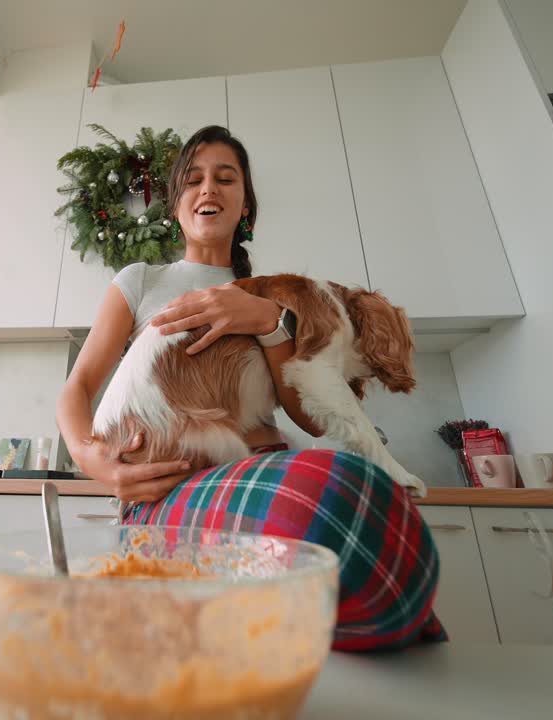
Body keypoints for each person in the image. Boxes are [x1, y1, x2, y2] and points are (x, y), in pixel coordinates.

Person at [56, 125, 443, 650]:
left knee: (373, 514)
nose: (208, 189)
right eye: (193, 179)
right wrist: (91, 457)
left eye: (225, 178)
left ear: (246, 207)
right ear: (175, 205)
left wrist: (269, 321)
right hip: (170, 479)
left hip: (261, 464)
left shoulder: (275, 294)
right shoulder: (141, 280)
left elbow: (306, 415)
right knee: (338, 503)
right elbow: (78, 387)